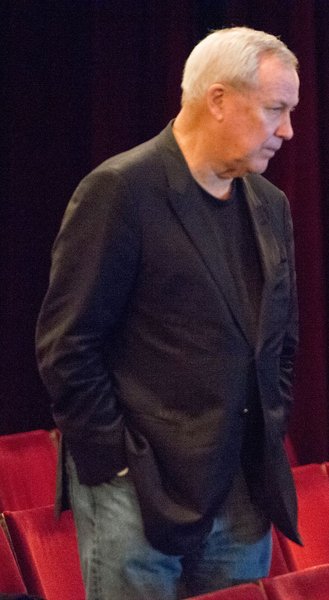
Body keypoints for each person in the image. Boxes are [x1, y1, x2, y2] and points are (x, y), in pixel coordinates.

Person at [35, 27, 301, 600]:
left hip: (241, 488)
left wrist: (266, 428)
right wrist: (116, 465)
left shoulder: (268, 204)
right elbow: (67, 344)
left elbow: (280, 341)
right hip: (137, 486)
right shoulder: (120, 190)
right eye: (275, 109)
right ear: (219, 99)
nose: (287, 131)